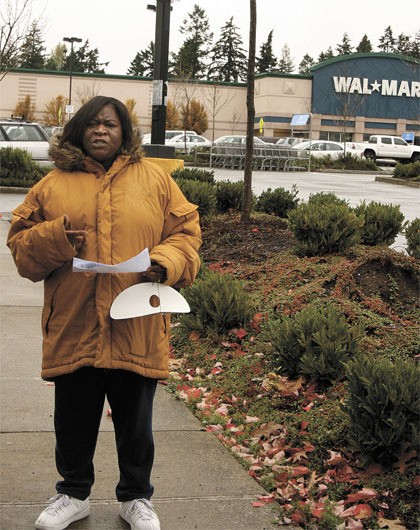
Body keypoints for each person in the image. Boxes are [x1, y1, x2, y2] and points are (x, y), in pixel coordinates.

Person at [7, 96, 202, 530]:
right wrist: (58, 238)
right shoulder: (53, 184)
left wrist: (166, 262)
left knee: (137, 424)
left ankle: (136, 498)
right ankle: (72, 493)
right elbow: (21, 249)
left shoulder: (155, 180)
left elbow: (186, 234)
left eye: (110, 125)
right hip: (75, 322)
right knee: (73, 418)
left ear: (124, 133)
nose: (101, 131)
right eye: (93, 124)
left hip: (137, 322)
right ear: (79, 130)